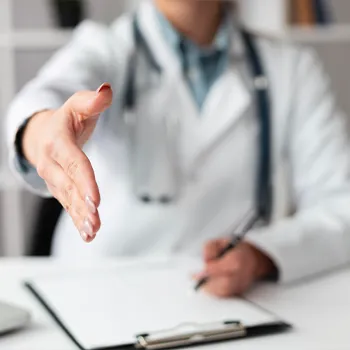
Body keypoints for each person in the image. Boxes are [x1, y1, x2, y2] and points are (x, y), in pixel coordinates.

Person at [6, 0, 350, 298]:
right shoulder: (102, 48)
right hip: (96, 292)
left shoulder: (291, 68)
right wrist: (41, 131)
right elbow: (45, 97)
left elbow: (340, 205)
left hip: (219, 300)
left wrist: (261, 255)